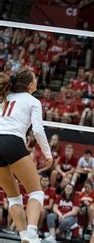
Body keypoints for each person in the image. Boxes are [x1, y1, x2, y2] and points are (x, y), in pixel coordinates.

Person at [0, 69, 53, 242]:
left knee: (13, 196)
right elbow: (38, 130)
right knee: (36, 193)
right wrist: (48, 154)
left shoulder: (5, 98)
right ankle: (32, 234)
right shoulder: (33, 101)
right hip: (12, 141)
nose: (37, 81)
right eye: (35, 79)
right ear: (30, 85)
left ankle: (24, 236)